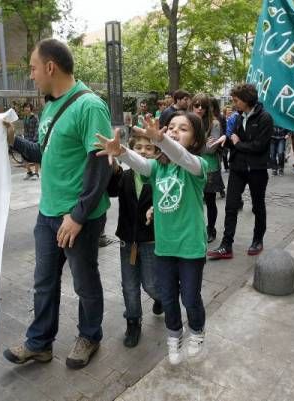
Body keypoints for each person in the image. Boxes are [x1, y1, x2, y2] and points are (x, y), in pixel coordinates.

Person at [2, 38, 113, 370]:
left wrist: (77, 216)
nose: (32, 75)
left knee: (84, 281)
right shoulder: (50, 105)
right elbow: (42, 153)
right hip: (47, 214)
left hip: (79, 217)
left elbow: (100, 164)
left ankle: (89, 336)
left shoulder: (90, 106)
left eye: (33, 68)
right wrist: (13, 140)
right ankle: (39, 344)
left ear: (50, 67)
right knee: (43, 282)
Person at [96, 111, 211, 365]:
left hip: (190, 247)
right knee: (167, 297)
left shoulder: (197, 166)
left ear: (194, 139)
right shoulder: (158, 167)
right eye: (171, 127)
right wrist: (122, 152)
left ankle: (197, 330)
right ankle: (174, 335)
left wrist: (161, 140)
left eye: (183, 129)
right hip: (165, 247)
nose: (174, 131)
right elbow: (142, 164)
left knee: (190, 297)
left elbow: (182, 157)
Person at [107, 135, 163, 348]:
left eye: (149, 148)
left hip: (151, 240)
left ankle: (162, 298)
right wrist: (112, 167)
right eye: (137, 147)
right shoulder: (125, 176)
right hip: (127, 240)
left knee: (150, 284)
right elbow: (111, 190)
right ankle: (133, 321)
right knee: (129, 285)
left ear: (157, 152)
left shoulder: (159, 177)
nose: (142, 151)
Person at [208, 83, 273, 260]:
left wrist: (237, 143)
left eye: (236, 100)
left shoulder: (265, 118)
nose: (234, 103)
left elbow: (259, 147)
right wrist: (224, 140)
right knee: (231, 206)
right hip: (237, 168)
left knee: (258, 206)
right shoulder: (238, 117)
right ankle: (226, 245)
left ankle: (258, 239)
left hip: (257, 170)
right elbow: (234, 139)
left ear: (246, 100)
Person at [190, 94, 224, 242]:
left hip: (209, 167)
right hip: (191, 164)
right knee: (192, 200)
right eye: (196, 105)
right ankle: (195, 228)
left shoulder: (214, 123)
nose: (199, 109)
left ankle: (211, 229)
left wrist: (194, 144)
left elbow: (211, 149)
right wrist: (203, 143)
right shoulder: (187, 121)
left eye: (203, 106)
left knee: (210, 200)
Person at [21, 102, 40, 180]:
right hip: (26, 138)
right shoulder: (25, 118)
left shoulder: (35, 117)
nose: (26, 108)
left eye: (28, 107)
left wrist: (34, 139)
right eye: (25, 107)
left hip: (34, 139)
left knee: (35, 156)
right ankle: (29, 172)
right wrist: (23, 137)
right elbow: (25, 129)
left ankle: (36, 173)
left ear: (30, 108)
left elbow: (37, 128)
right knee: (23, 155)